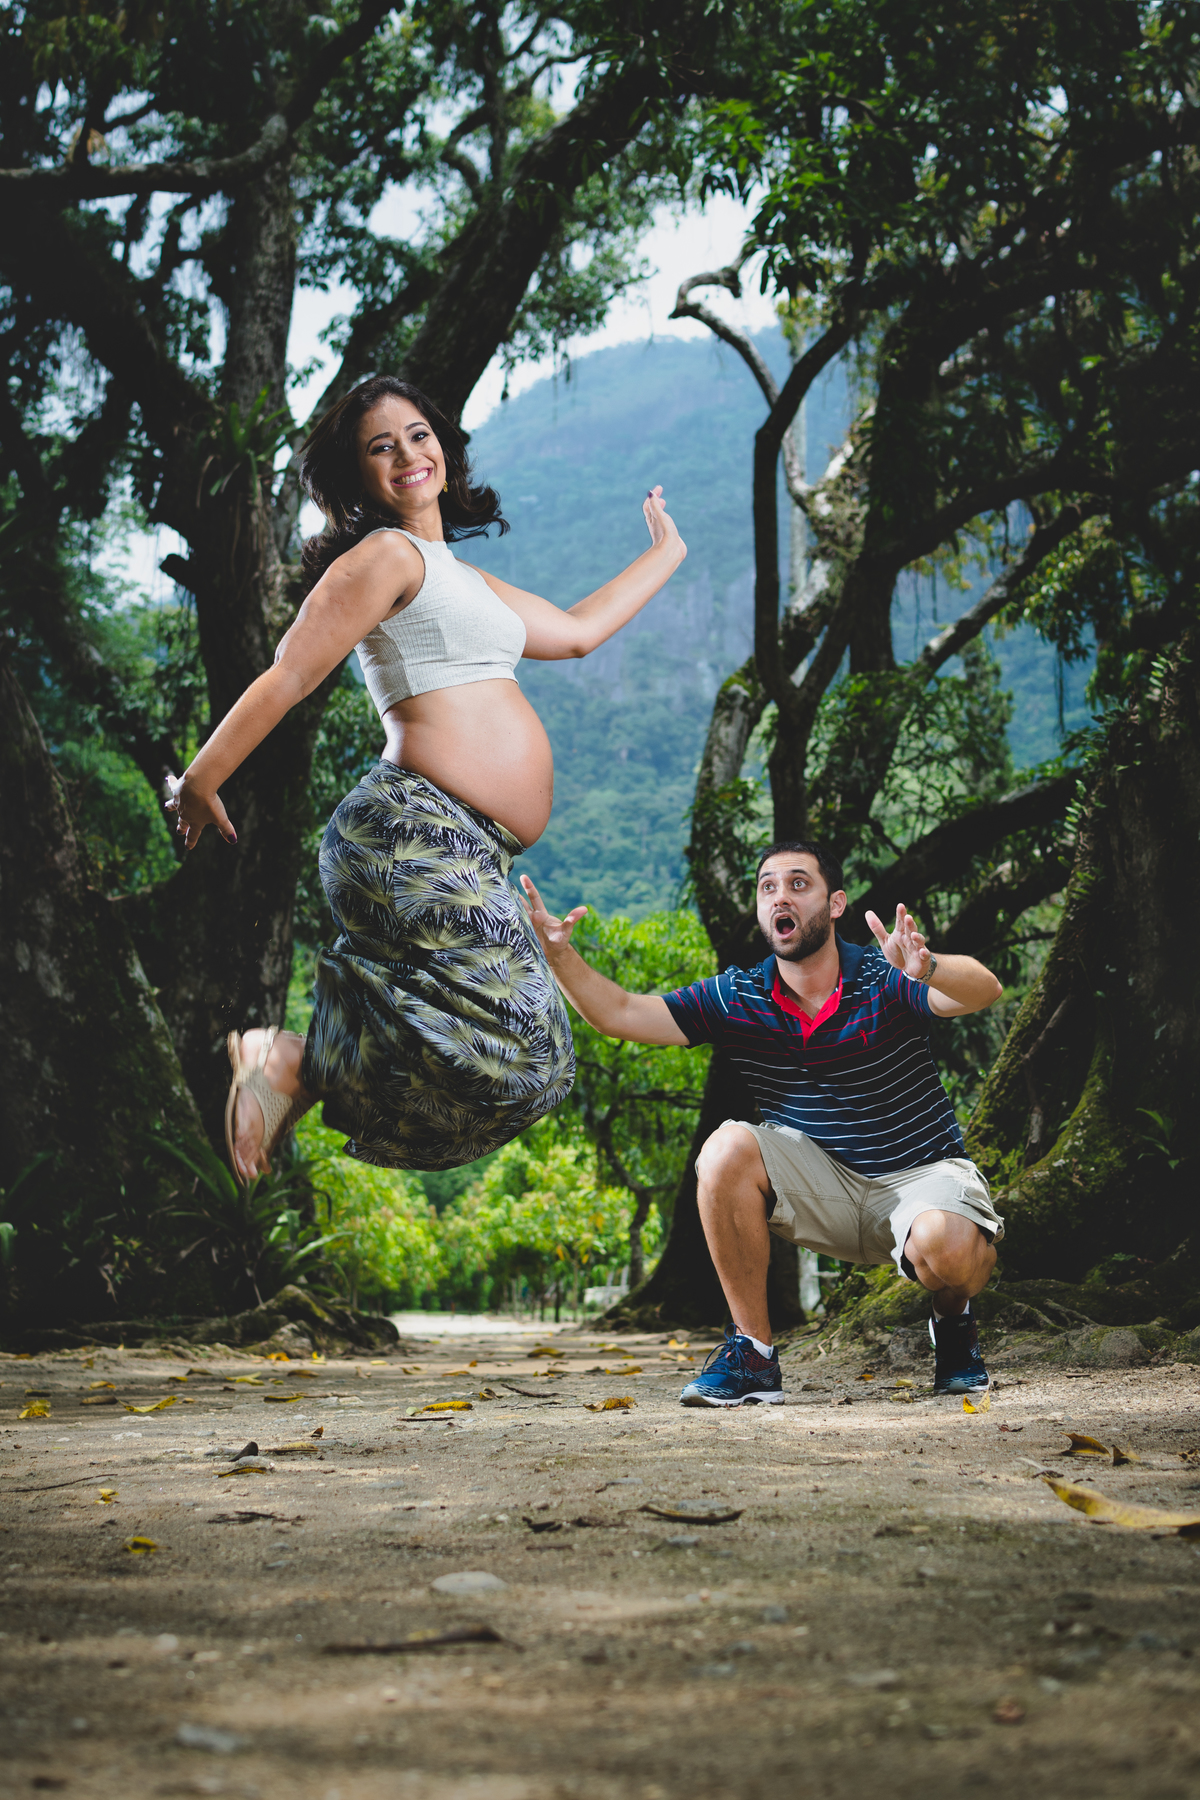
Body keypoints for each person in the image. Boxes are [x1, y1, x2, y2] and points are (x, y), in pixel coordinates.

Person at [166, 375, 686, 1184]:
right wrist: (202, 779)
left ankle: (302, 1066)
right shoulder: (383, 555)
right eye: (382, 446)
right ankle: (296, 1062)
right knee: (526, 1049)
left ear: (443, 446)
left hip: (472, 850)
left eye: (418, 435)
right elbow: (289, 674)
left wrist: (668, 553)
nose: (408, 454)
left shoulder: (466, 580)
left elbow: (581, 632)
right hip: (409, 829)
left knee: (538, 1065)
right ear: (356, 478)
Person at [520, 839, 1005, 1401]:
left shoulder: (885, 972)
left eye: (799, 884)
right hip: (824, 1185)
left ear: (836, 903)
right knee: (725, 1149)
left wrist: (930, 968)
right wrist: (559, 956)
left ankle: (954, 1324)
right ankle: (753, 1356)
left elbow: (984, 990)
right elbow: (620, 1012)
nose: (782, 897)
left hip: (919, 1177)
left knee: (946, 1248)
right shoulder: (739, 996)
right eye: (768, 887)